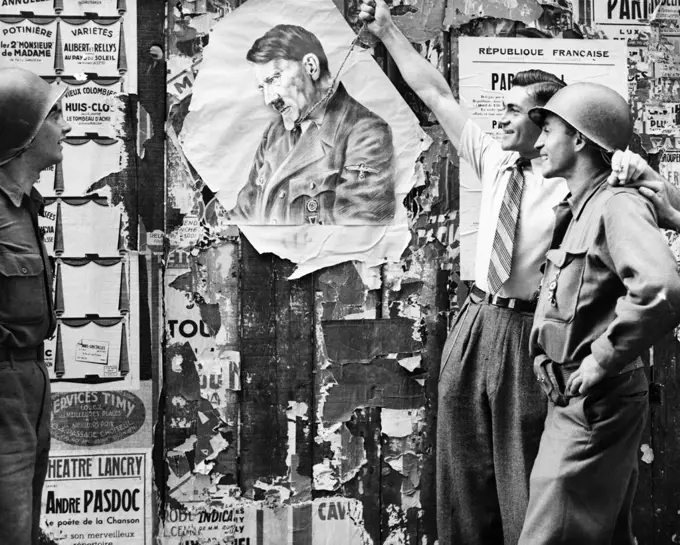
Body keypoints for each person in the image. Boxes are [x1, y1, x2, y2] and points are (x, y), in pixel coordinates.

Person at [358, 1, 655, 543]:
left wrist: (638, 169)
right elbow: (436, 93)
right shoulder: (494, 160)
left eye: (515, 110)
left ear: (547, 122)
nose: (501, 117)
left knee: (525, 480)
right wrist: (386, 29)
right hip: (476, 323)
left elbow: (659, 223)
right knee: (462, 471)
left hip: (532, 333)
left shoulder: (582, 179)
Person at [518, 82, 680, 544]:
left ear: (580, 139)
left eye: (548, 130)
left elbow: (661, 290)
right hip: (575, 400)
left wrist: (601, 358)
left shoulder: (617, 204)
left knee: (551, 535)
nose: (540, 142)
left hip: (594, 402)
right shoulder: (581, 207)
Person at [0, 67, 71, 544]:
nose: (65, 126)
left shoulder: (25, 206)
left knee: (24, 526)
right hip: (3, 391)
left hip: (29, 385)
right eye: (55, 116)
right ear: (24, 135)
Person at [228, 24, 396, 225]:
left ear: (310, 67)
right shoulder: (275, 133)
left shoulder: (366, 133)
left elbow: (358, 232)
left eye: (273, 80)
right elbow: (244, 216)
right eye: (262, 88)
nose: (268, 99)